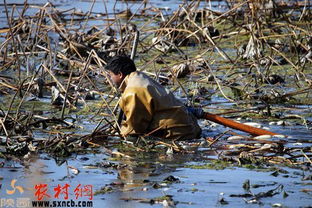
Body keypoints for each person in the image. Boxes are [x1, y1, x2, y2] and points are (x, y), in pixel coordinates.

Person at [105, 55, 201, 140]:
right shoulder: (140, 78)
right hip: (189, 128)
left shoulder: (133, 90)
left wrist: (114, 137)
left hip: (177, 134)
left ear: (120, 74)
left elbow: (134, 129)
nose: (109, 78)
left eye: (110, 75)